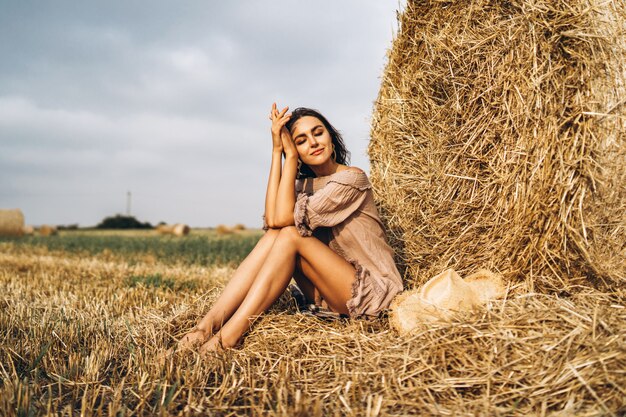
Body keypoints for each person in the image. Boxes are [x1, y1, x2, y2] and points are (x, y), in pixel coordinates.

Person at [176, 104, 403, 353]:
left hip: (373, 294)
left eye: (318, 133)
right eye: (301, 141)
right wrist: (277, 152)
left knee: (291, 234)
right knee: (278, 234)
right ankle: (205, 328)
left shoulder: (351, 179)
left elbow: (284, 219)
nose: (313, 143)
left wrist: (291, 156)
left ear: (331, 136)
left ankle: (227, 339)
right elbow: (273, 221)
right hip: (331, 292)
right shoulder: (303, 186)